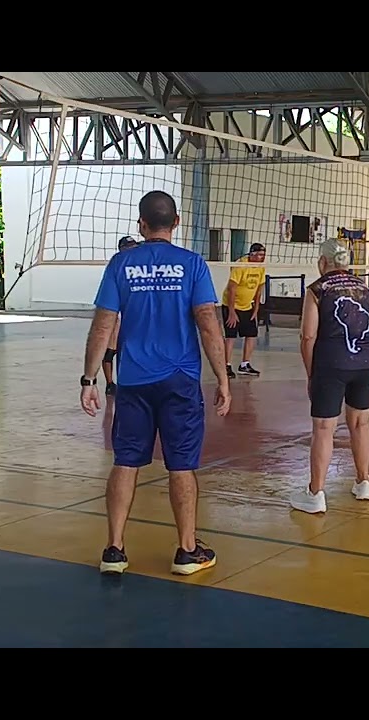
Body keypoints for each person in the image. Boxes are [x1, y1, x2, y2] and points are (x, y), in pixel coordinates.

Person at [81, 190, 231, 577]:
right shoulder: (192, 264)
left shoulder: (121, 264)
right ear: (176, 222)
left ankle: (114, 549)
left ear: (141, 224)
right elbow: (208, 324)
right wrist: (223, 377)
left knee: (126, 462)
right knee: (181, 466)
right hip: (180, 380)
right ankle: (186, 550)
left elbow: (103, 325)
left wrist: (89, 378)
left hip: (133, 381)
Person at [290, 238, 369, 514]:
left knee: (323, 428)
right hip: (367, 362)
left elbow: (308, 336)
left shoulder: (317, 289)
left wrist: (311, 373)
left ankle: (315, 493)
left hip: (332, 364)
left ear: (323, 262)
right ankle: (364, 482)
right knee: (360, 424)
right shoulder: (364, 288)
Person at [222, 242, 266, 378]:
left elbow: (259, 289)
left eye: (263, 255)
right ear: (251, 254)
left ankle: (245, 364)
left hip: (248, 306)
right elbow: (232, 289)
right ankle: (226, 366)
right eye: (259, 255)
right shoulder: (241, 265)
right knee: (230, 336)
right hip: (231, 305)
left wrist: (256, 309)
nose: (262, 258)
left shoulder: (261, 267)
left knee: (251, 335)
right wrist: (231, 311)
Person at [102, 235, 138, 396]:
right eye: (128, 248)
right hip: (118, 316)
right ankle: (110, 383)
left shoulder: (140, 265)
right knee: (110, 350)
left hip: (134, 318)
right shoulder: (117, 266)